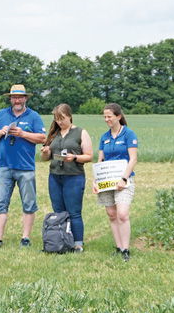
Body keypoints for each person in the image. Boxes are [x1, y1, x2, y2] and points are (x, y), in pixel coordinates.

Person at [0, 84, 47, 248]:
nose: (17, 100)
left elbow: (42, 138)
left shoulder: (33, 116)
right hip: (4, 167)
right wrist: (1, 131)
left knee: (28, 203)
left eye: (20, 97)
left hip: (26, 168)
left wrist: (23, 134)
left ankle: (25, 238)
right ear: (10, 99)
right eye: (14, 97)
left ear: (25, 98)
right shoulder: (1, 114)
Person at [41, 104, 93, 252]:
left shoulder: (80, 132)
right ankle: (61, 241)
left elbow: (89, 156)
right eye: (57, 119)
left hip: (73, 177)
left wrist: (75, 157)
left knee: (74, 211)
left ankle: (78, 244)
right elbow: (46, 158)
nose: (60, 122)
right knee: (58, 212)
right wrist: (45, 151)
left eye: (62, 119)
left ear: (69, 116)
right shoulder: (54, 134)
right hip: (55, 177)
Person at [94, 103, 137, 261]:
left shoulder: (128, 134)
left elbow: (133, 159)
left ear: (118, 116)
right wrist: (95, 180)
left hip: (123, 180)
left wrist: (124, 178)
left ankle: (126, 249)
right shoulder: (104, 137)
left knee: (122, 214)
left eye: (109, 116)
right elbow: (100, 160)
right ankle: (118, 247)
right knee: (111, 214)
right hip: (106, 180)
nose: (106, 119)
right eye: (104, 117)